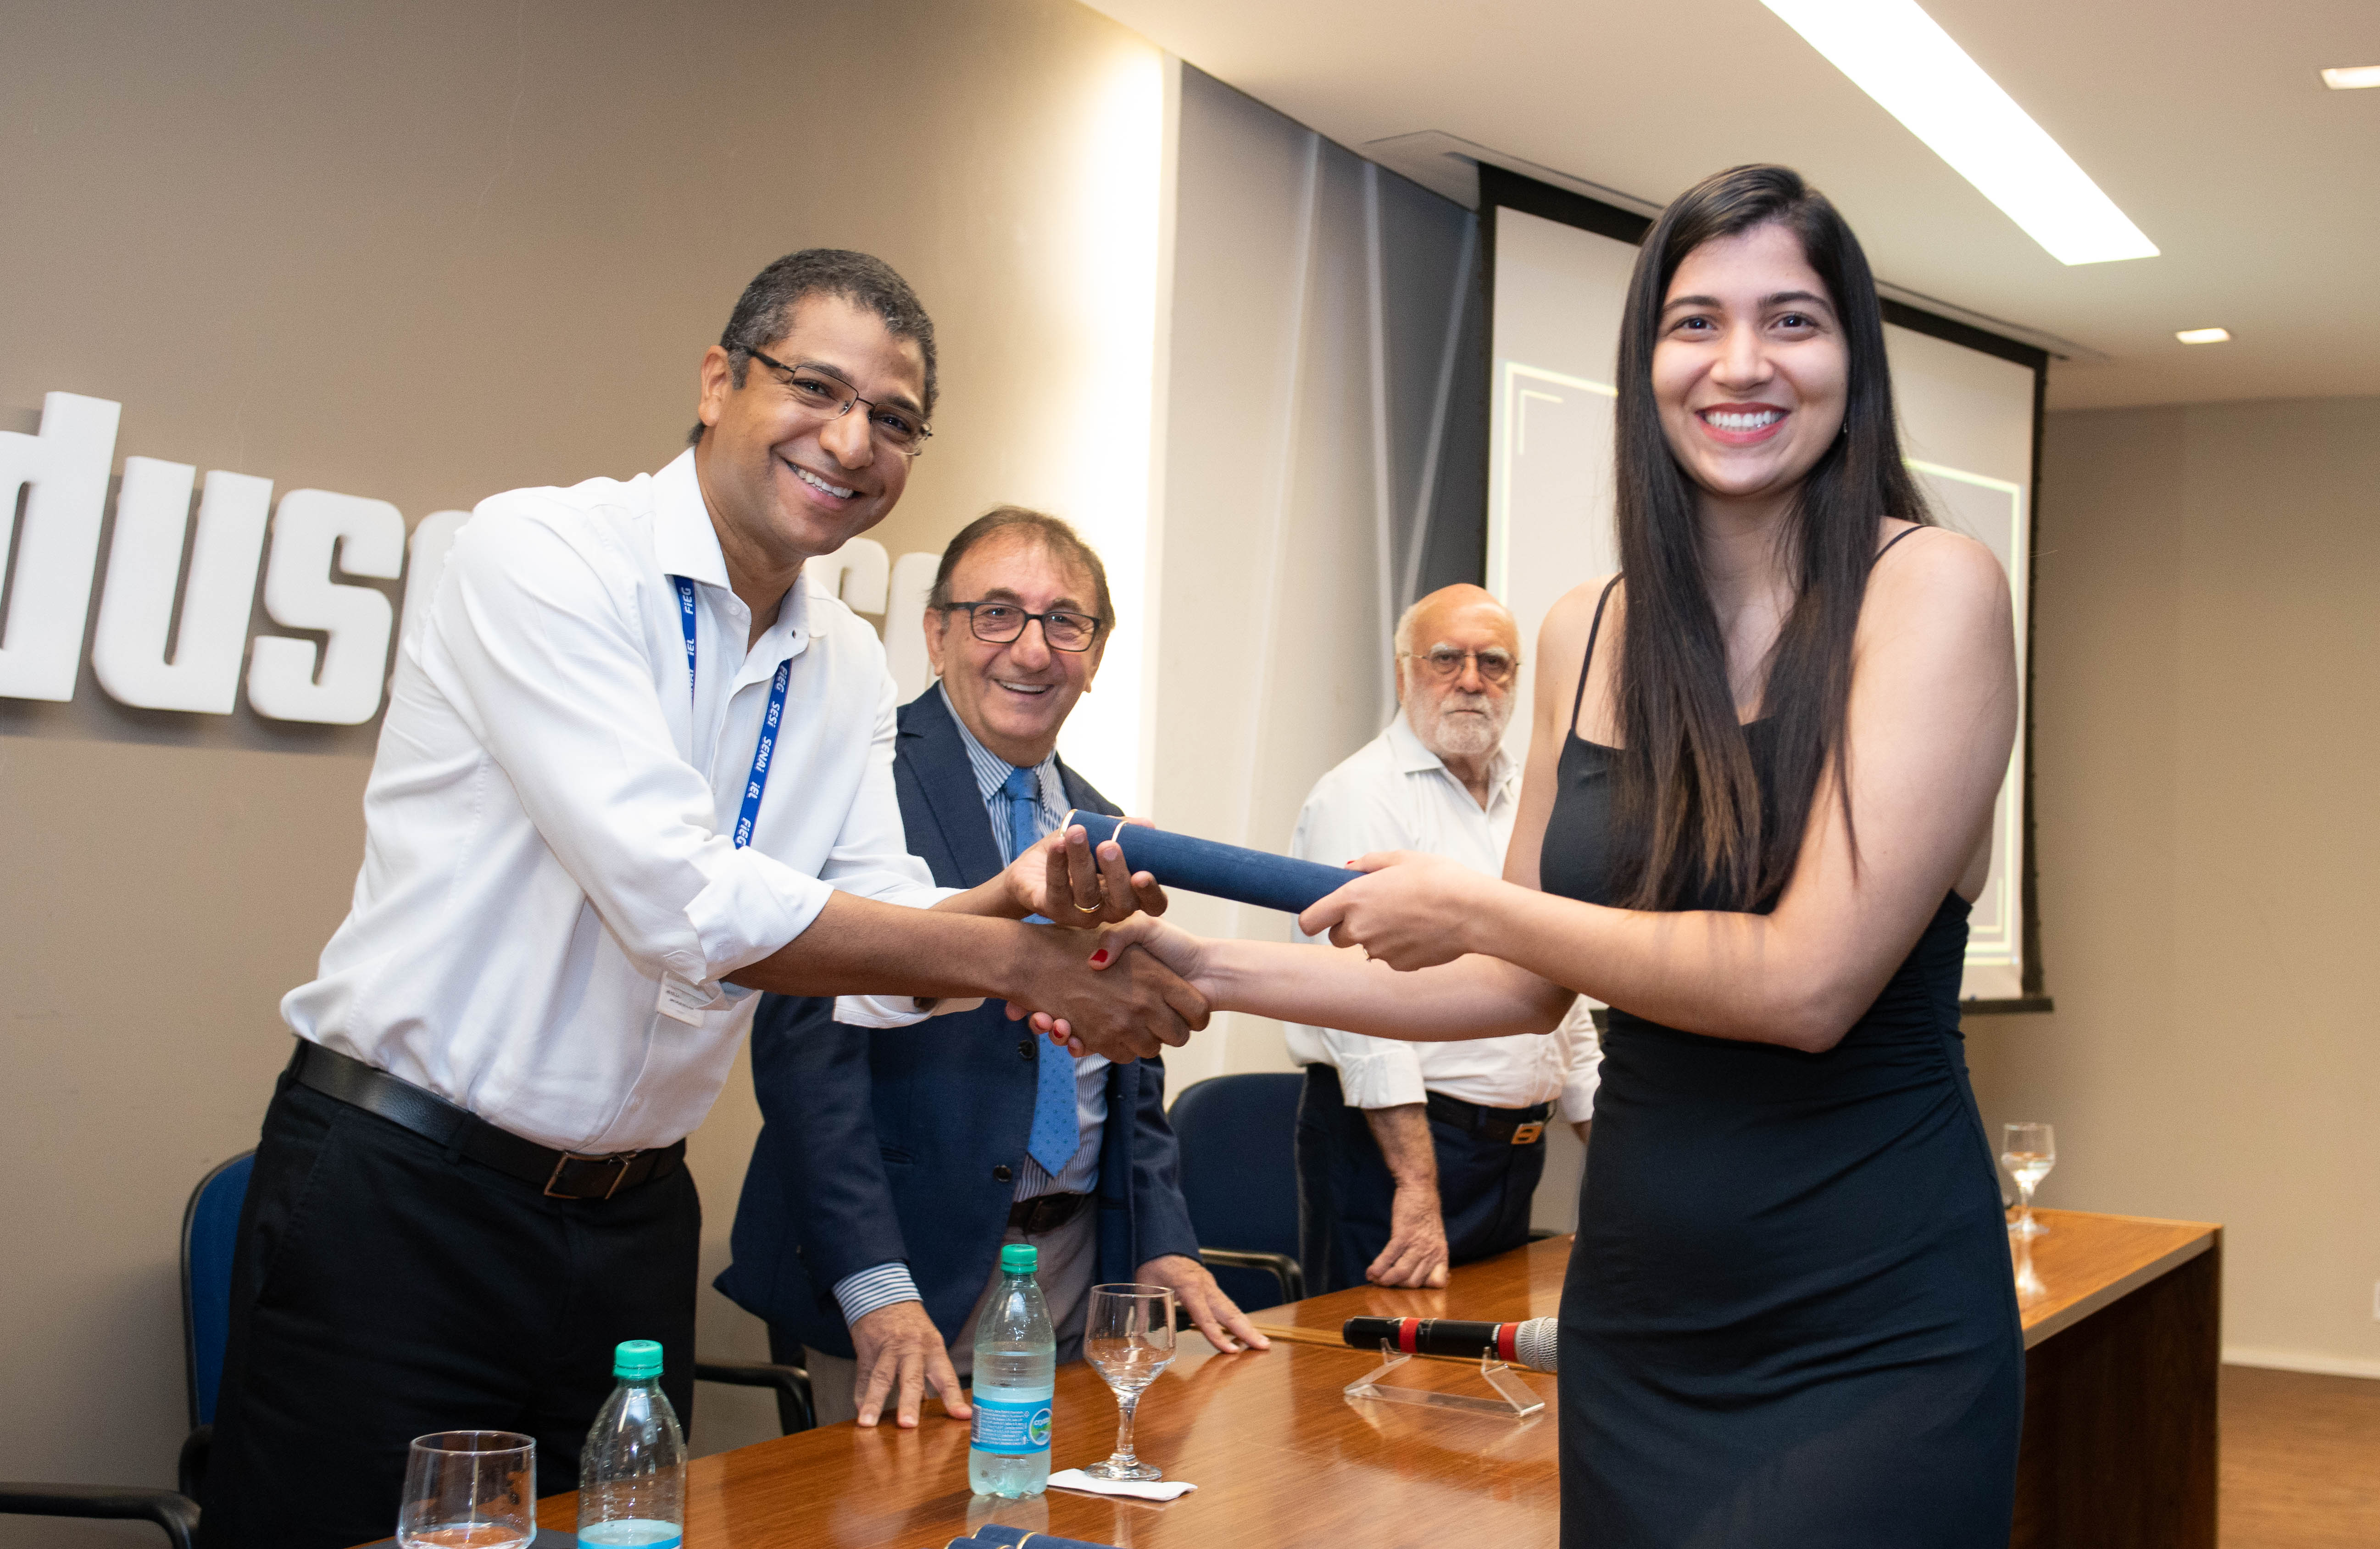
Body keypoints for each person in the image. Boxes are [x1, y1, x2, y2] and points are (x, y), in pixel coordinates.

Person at [1052, 166, 2025, 1544]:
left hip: (1871, 1325)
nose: (1741, 362)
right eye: (1696, 323)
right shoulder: (1591, 626)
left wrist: (1477, 906)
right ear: (1646, 364)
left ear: (1852, 359)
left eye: (1792, 320)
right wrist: (1201, 964)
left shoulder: (1932, 588)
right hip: (1640, 1315)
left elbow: (1807, 982)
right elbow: (1514, 991)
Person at [200, 251, 1194, 1549]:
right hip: (409, 1196)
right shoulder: (544, 554)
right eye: (816, 388)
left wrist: (1012, 901)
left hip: (631, 1222)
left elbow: (882, 949)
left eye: (894, 419)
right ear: (720, 380)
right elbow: (681, 902)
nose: (853, 441)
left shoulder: (842, 657)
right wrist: (1018, 965)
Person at [720, 506, 1269, 1432]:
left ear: (1097, 654)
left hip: (1077, 1272)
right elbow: (808, 1060)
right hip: (907, 1276)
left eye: (1066, 622)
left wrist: (1162, 1242)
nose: (1033, 649)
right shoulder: (858, 783)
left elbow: (1130, 1071)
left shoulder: (1107, 826)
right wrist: (877, 1286)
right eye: (997, 614)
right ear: (937, 635)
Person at [1282, 584, 1599, 1294]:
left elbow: (1561, 974)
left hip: (1513, 1157)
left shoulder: (1532, 799)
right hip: (1394, 1154)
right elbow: (1358, 1007)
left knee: (1478, 1357)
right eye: (1447, 658)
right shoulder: (1361, 794)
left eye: (1495, 663)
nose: (1471, 681)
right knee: (1374, 1357)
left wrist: (1610, 1155)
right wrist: (1417, 1185)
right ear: (1404, 673)